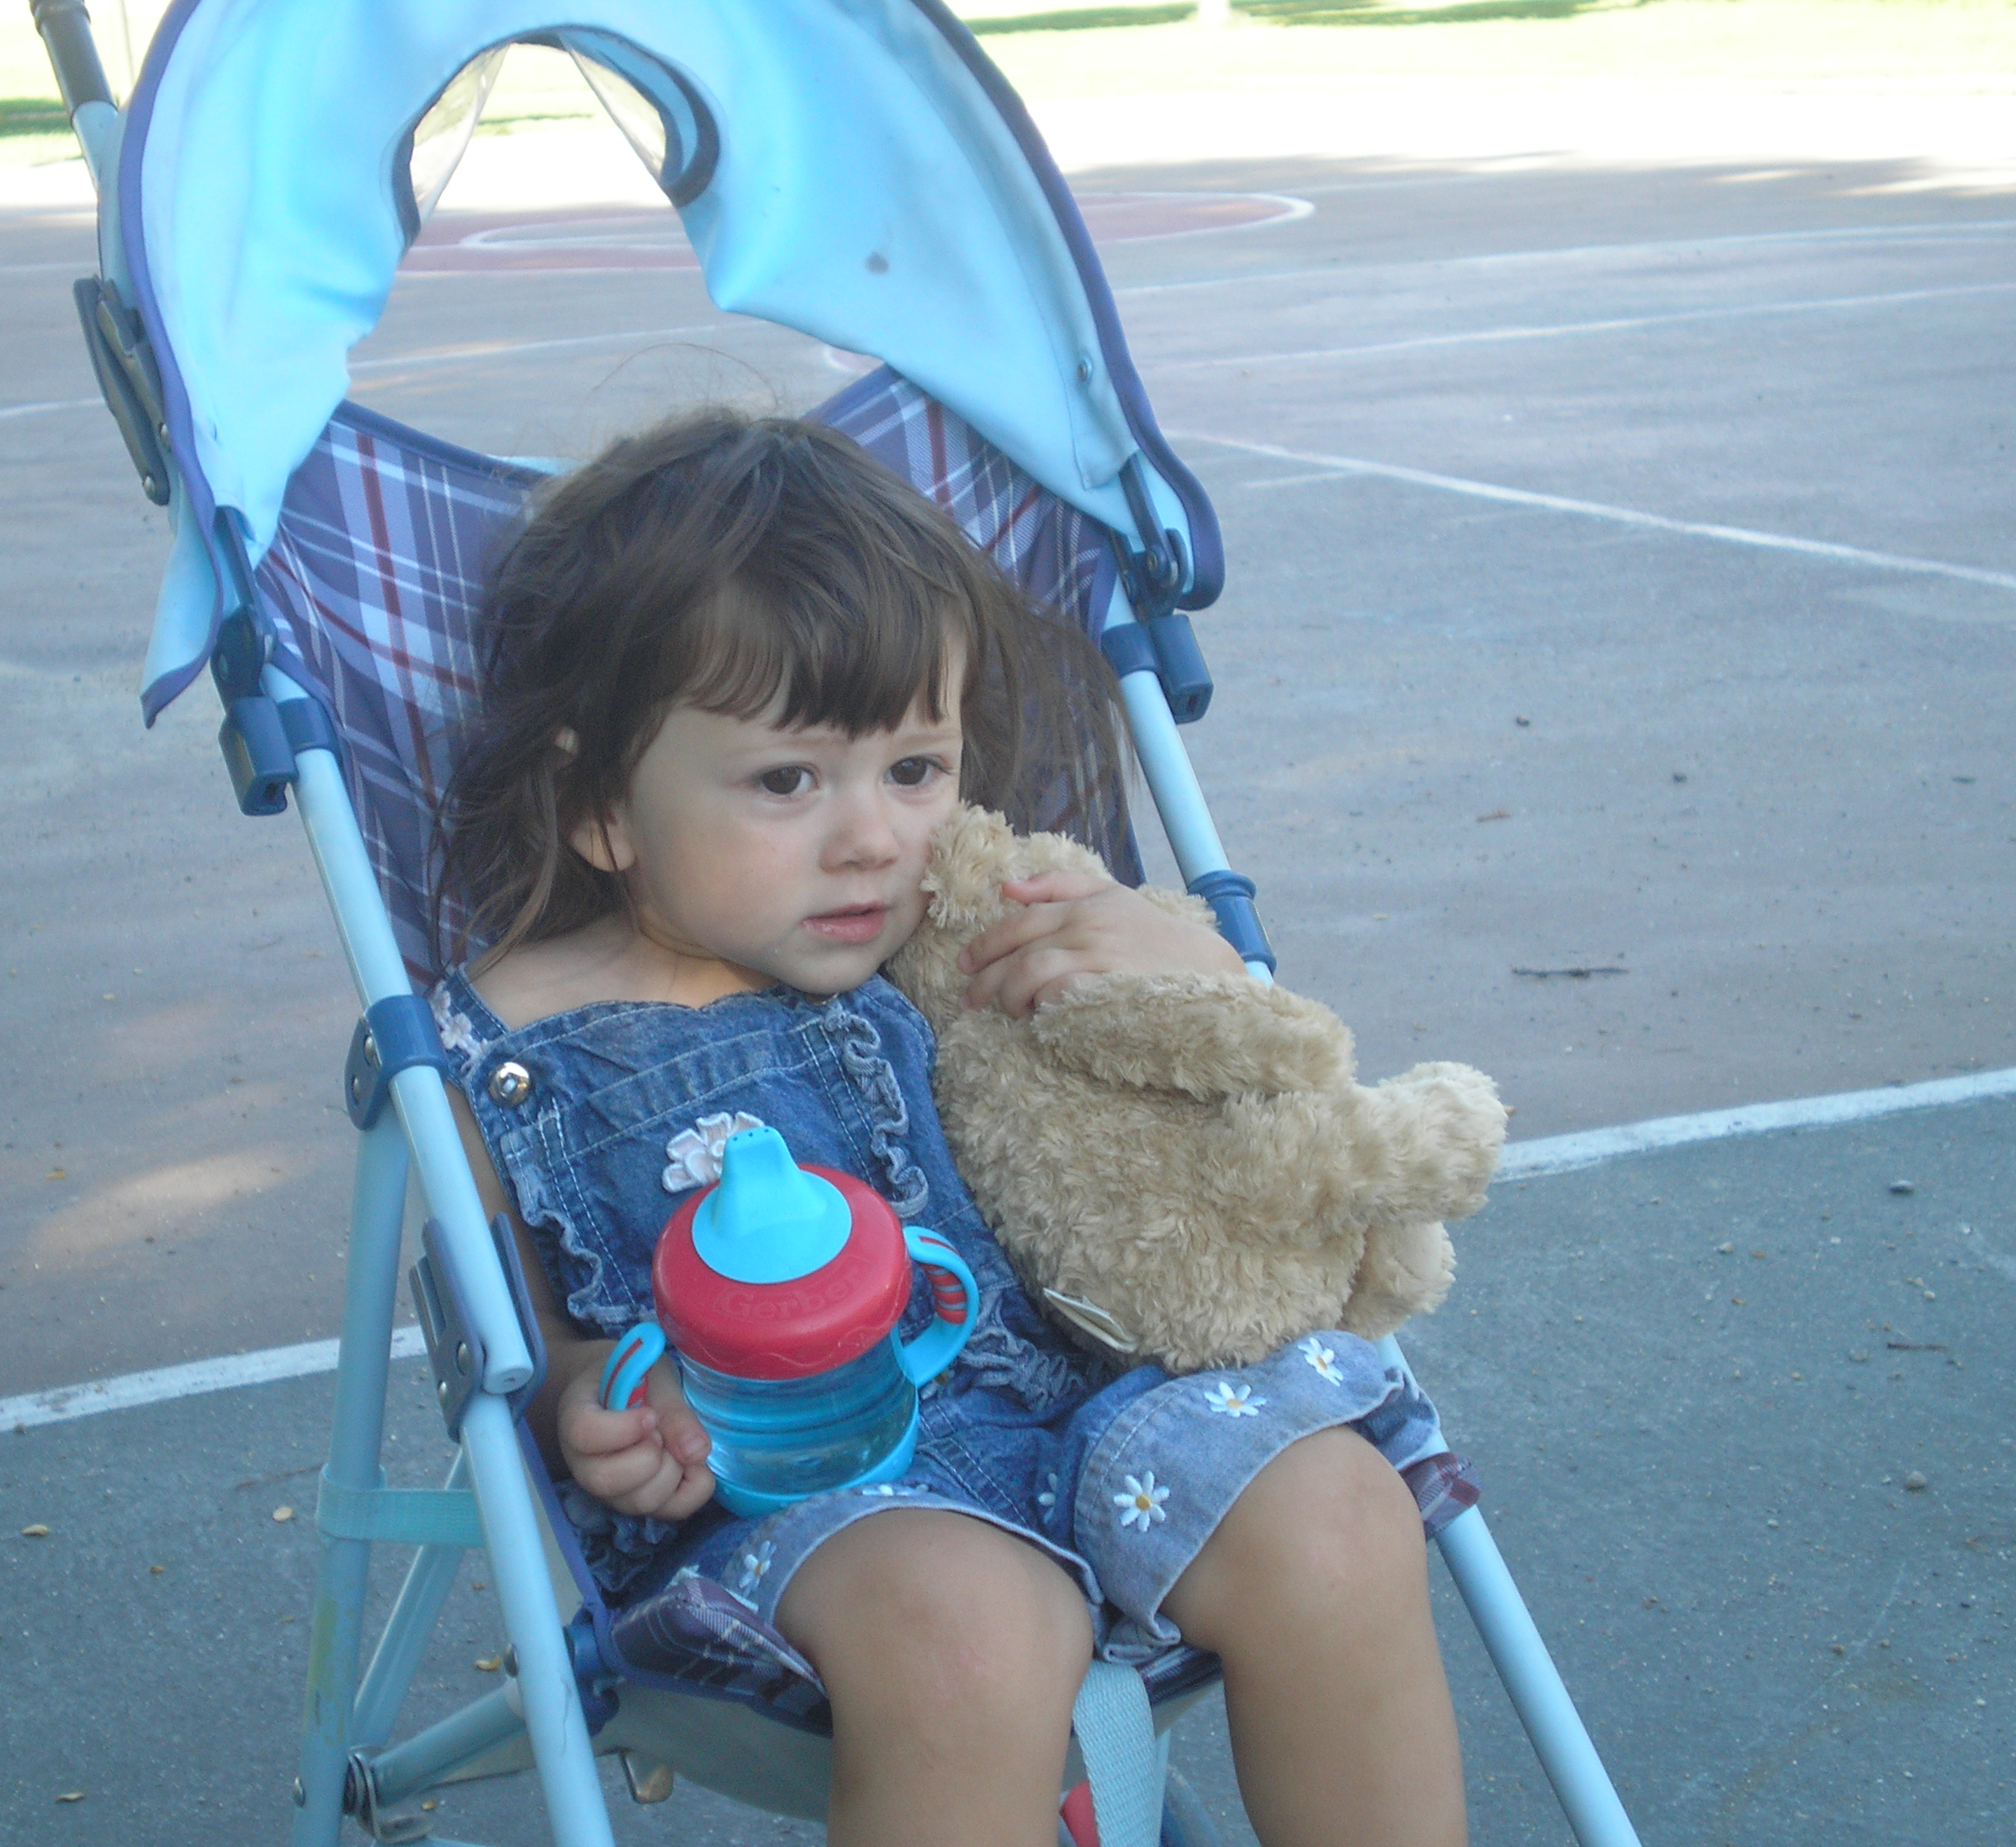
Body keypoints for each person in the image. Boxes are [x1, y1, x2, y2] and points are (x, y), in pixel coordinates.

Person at [429, 408, 1468, 1847]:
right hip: (805, 1504)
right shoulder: (508, 1045)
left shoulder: (967, 930)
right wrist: (590, 1401)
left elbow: (1185, 1077)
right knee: (973, 1628)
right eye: (787, 781)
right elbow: (523, 1341)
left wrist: (1185, 962)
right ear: (605, 806)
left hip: (1088, 1426)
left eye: (915, 770)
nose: (873, 839)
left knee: (1337, 1509)